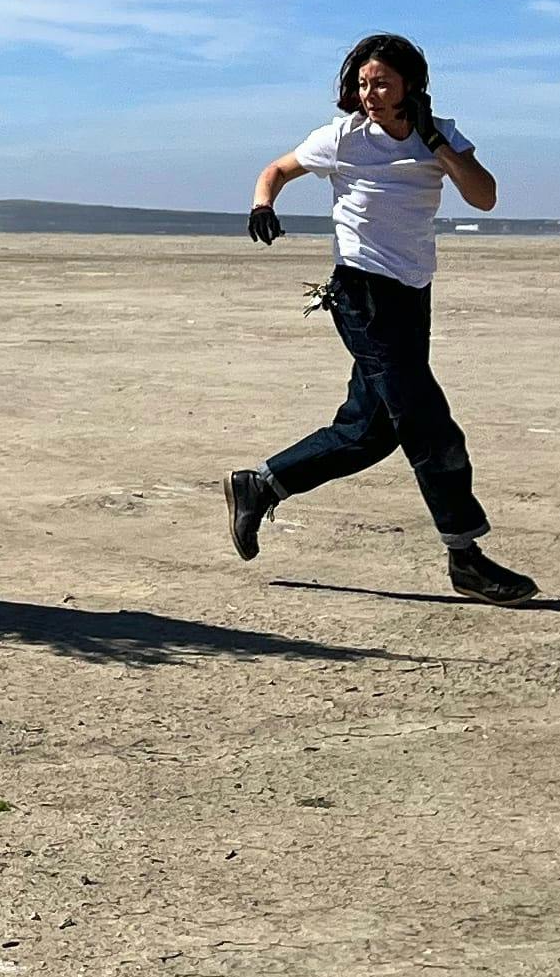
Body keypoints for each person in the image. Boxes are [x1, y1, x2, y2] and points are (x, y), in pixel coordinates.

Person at [227, 33, 539, 603]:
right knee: (428, 422)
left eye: (382, 84)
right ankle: (465, 555)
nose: (369, 94)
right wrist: (262, 203)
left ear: (410, 86)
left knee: (369, 430)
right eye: (363, 83)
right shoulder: (342, 138)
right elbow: (276, 167)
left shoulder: (440, 135)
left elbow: (484, 196)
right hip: (361, 292)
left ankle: (262, 484)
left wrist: (433, 142)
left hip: (411, 294)